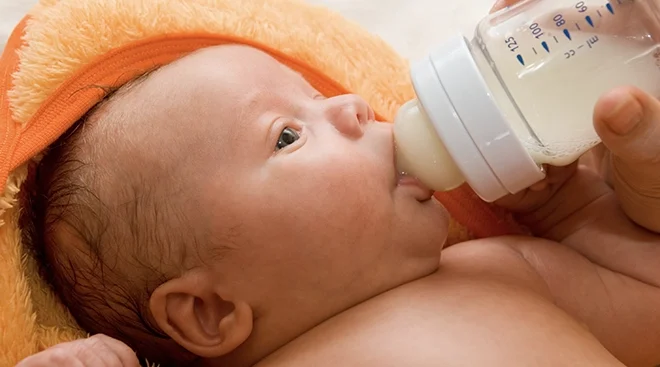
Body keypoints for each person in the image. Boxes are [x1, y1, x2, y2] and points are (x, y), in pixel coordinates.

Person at [16, 1, 660, 366]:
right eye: (287, 135)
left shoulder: (500, 268)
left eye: (317, 96)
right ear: (209, 313)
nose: (353, 104)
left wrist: (568, 210)